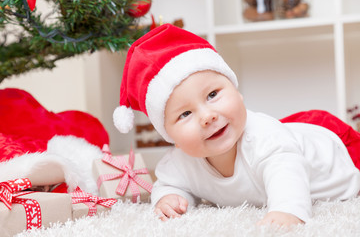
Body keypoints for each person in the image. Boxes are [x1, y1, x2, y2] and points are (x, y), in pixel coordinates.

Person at [112, 23, 360, 227]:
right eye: (185, 113)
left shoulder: (265, 139)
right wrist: (169, 198)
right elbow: (168, 183)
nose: (207, 116)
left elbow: (286, 172)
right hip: (289, 135)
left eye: (212, 95)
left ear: (237, 92)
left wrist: (287, 211)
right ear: (170, 137)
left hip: (337, 153)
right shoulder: (179, 162)